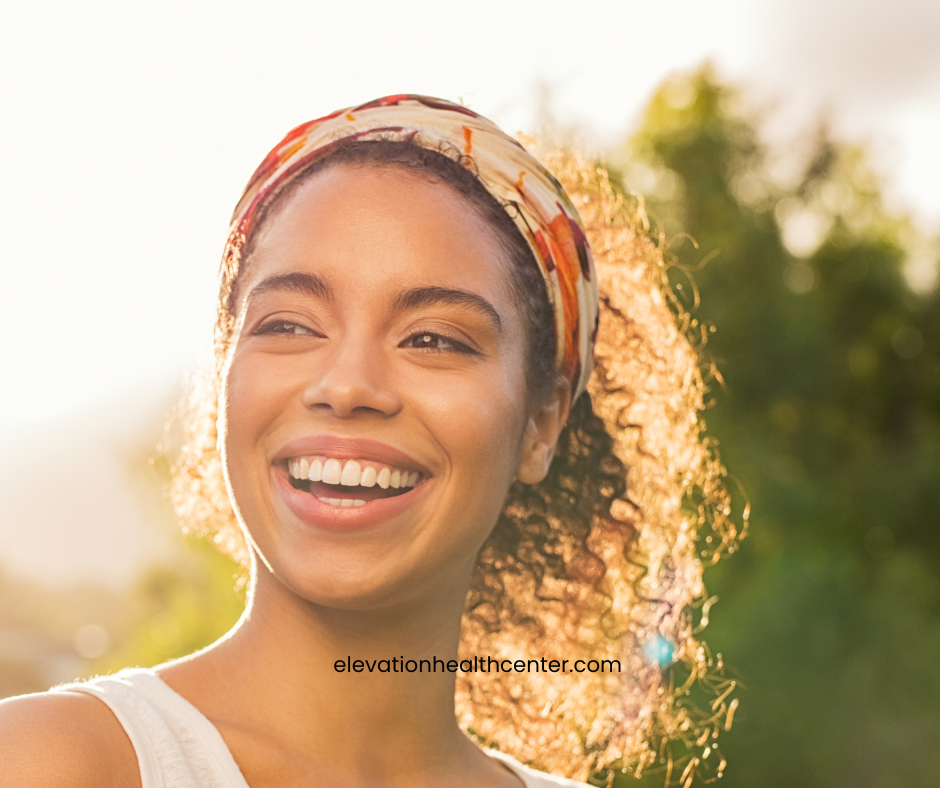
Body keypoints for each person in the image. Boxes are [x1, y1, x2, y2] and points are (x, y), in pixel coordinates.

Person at [0, 95, 742, 787]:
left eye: (433, 338)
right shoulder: (49, 763)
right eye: (289, 325)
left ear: (541, 423)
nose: (347, 385)